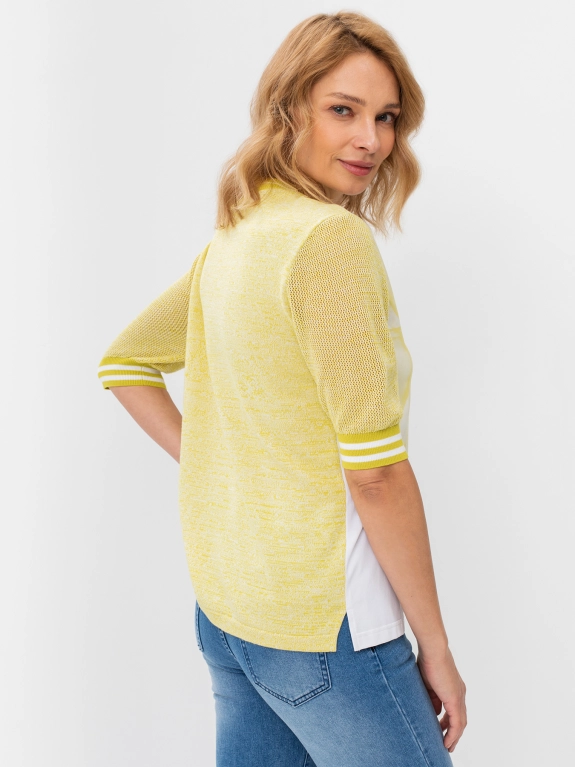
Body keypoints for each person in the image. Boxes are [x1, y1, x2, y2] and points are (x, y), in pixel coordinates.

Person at [97, 10, 467, 766]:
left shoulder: (240, 234)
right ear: (288, 108)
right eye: (343, 110)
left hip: (230, 612)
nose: (371, 140)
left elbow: (124, 364)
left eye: (386, 117)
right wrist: (435, 646)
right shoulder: (328, 241)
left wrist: (221, 461)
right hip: (324, 627)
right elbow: (375, 472)